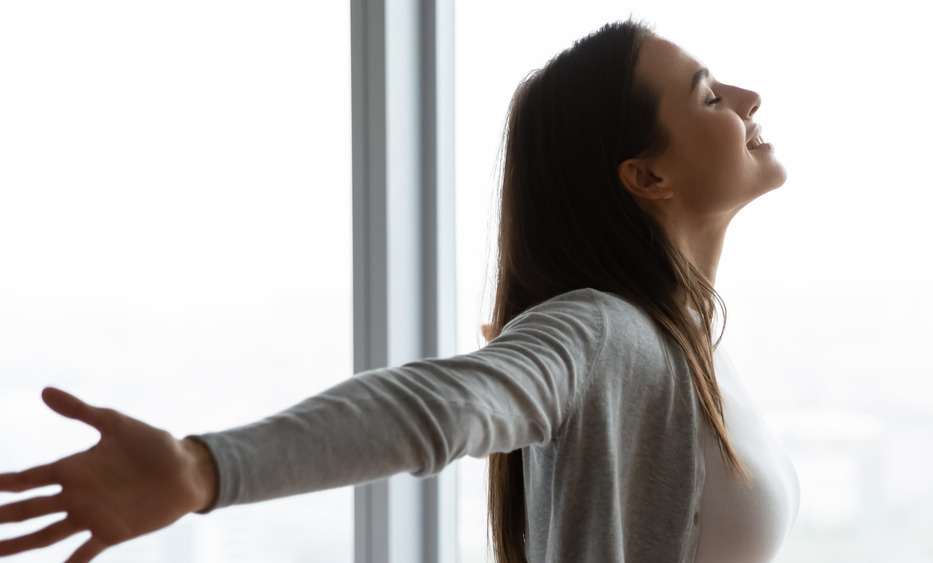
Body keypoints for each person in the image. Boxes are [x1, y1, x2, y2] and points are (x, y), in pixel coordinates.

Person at [0, 20, 799, 563]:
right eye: (708, 94)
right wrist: (205, 467)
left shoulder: (690, 340)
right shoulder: (603, 329)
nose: (748, 96)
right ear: (646, 175)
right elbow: (439, 404)